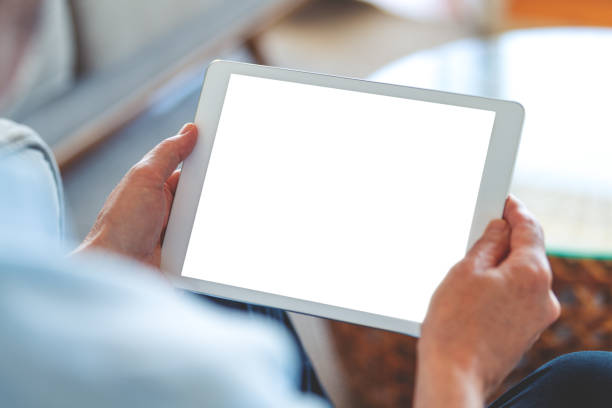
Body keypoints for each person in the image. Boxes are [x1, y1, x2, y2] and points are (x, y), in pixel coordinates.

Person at [3, 2, 612, 407]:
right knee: (591, 382)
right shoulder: (200, 375)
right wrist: (458, 366)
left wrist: (101, 259)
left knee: (199, 270)